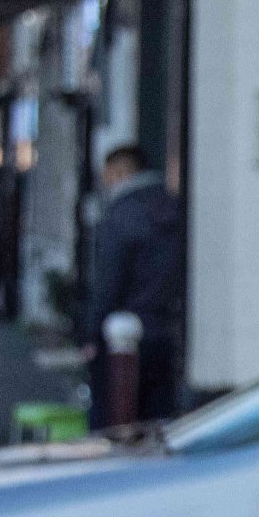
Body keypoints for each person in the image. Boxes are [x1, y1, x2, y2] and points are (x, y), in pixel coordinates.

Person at [81, 144, 186, 428]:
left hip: (121, 337)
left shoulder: (120, 215)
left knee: (114, 421)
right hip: (166, 331)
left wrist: (92, 333)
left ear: (120, 172)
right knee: (157, 422)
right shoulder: (176, 209)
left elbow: (108, 281)